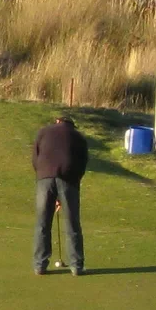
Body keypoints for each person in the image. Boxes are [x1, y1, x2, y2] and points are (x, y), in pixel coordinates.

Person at [32, 115, 87, 276]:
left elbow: (35, 158)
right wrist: (73, 185)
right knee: (72, 223)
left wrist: (42, 174)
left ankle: (40, 265)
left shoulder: (43, 132)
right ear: (72, 125)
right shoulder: (78, 137)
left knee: (43, 222)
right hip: (68, 178)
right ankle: (76, 266)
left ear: (58, 121)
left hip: (44, 177)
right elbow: (82, 163)